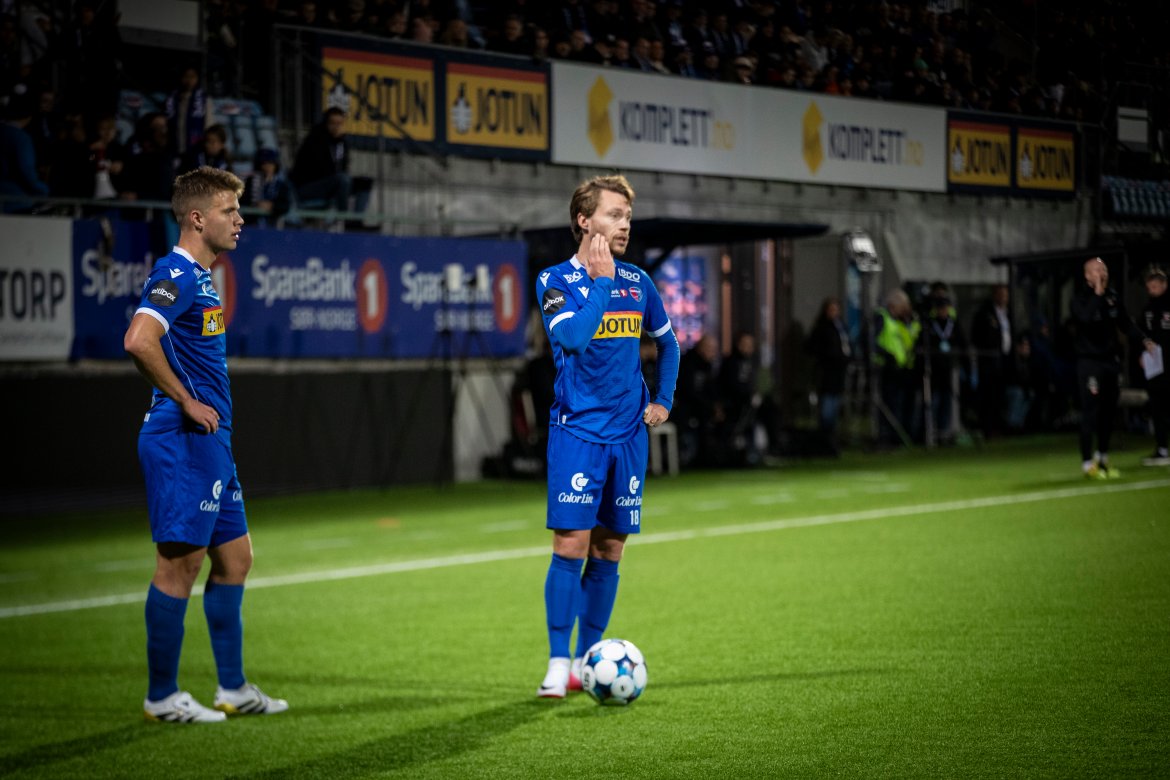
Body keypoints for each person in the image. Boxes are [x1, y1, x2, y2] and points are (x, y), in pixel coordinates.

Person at [123, 166, 287, 722]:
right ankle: (162, 696)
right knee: (179, 567)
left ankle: (233, 688)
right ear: (197, 218)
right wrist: (185, 401)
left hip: (211, 441)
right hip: (183, 438)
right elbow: (138, 340)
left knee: (235, 559)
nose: (240, 220)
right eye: (229, 211)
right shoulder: (176, 274)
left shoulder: (201, 276)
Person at [534, 174, 679, 698]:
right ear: (584, 220)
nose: (625, 225)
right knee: (570, 544)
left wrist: (663, 399)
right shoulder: (554, 280)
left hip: (628, 438)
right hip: (577, 434)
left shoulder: (638, 282)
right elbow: (573, 338)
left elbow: (668, 344)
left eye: (628, 217)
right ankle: (558, 663)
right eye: (614, 215)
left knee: (610, 548)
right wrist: (600, 282)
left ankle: (586, 659)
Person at [1070, 256, 1154, 478]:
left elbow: (1126, 324)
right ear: (1087, 276)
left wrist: (1145, 340)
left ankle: (1102, 458)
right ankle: (1087, 464)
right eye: (1096, 270)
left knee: (1108, 411)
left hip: (1110, 362)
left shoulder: (1113, 297)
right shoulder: (1079, 298)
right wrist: (1098, 294)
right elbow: (1085, 319)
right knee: (1090, 411)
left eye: (1104, 269)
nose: (1102, 273)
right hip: (1089, 363)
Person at [289, 107, 371, 218]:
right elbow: (323, 169)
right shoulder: (315, 139)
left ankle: (356, 221)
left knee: (364, 183)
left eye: (340, 124)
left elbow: (341, 168)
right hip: (308, 187)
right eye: (333, 123)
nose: (336, 127)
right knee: (342, 180)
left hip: (333, 183)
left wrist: (339, 141)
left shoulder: (341, 143)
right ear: (326, 123)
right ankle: (344, 218)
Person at [873, 288, 920, 446]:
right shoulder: (882, 317)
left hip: (898, 369)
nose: (905, 309)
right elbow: (872, 341)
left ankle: (894, 436)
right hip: (885, 368)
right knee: (889, 404)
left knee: (896, 404)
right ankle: (886, 436)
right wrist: (887, 355)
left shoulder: (896, 320)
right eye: (903, 306)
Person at [919, 282, 965, 443]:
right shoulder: (929, 324)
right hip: (933, 370)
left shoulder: (953, 324)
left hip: (948, 368)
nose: (943, 311)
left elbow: (962, 343)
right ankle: (929, 433)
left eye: (945, 308)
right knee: (933, 401)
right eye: (940, 308)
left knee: (947, 401)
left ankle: (944, 433)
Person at [805, 297, 851, 452]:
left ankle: (831, 437)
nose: (834, 313)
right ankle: (824, 438)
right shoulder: (822, 328)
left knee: (835, 403)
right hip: (827, 372)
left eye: (836, 309)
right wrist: (827, 357)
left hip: (839, 371)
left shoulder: (841, 327)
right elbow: (812, 347)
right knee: (827, 404)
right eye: (831, 309)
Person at [969, 283, 1012, 438]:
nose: (1004, 298)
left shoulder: (1008, 313)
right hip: (989, 361)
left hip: (1004, 359)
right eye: (1001, 294)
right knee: (988, 395)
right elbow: (977, 336)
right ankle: (987, 428)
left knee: (1000, 395)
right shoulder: (985, 313)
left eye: (1005, 295)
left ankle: (998, 426)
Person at [1137, 265, 1170, 466]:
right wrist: (1142, 353)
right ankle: (1162, 449)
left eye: (1155, 286)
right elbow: (1140, 333)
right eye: (1149, 287)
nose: (1152, 291)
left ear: (1164, 284)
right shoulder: (1148, 309)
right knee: (1158, 407)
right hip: (1156, 368)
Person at [240, 147, 291, 226]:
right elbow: (242, 201)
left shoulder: (281, 184)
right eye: (264, 163)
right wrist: (257, 205)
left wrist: (272, 206)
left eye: (271, 163)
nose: (268, 167)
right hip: (251, 224)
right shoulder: (249, 181)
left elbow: (285, 205)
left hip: (273, 225)